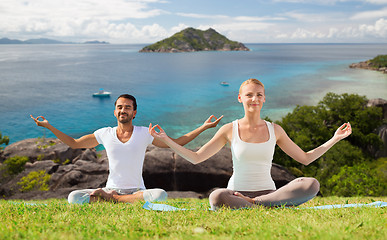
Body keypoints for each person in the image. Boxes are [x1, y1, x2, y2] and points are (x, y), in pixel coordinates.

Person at [149, 79, 352, 209]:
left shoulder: (276, 130)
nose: (254, 98)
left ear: (264, 99)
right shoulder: (229, 129)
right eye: (249, 95)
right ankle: (259, 205)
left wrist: (335, 138)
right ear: (240, 98)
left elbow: (305, 159)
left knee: (311, 184)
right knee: (217, 197)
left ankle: (255, 204)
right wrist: (167, 140)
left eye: (259, 94)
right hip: (236, 194)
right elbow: (196, 157)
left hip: (270, 193)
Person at [31, 94, 223, 204]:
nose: (123, 110)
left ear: (134, 112)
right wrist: (48, 126)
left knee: (160, 195)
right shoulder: (104, 134)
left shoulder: (144, 133)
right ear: (115, 111)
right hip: (111, 188)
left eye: (128, 107)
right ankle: (114, 197)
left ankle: (113, 200)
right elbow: (74, 143)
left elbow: (177, 142)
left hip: (138, 190)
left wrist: (203, 127)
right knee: (73, 197)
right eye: (120, 107)